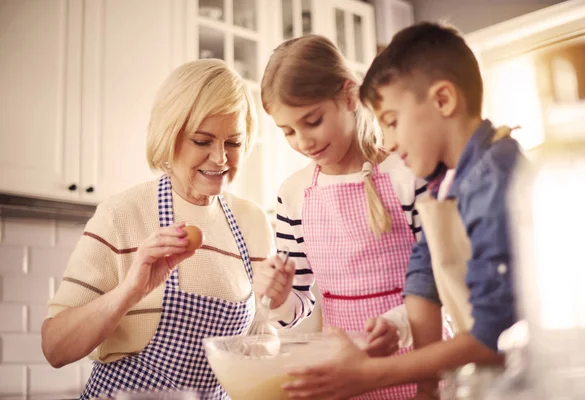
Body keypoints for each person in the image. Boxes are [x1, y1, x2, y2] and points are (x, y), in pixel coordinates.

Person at [281, 22, 521, 400]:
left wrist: (371, 374)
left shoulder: (492, 178)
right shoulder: (449, 183)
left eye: (392, 121)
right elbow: (423, 281)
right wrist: (426, 390)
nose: (389, 141)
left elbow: (495, 336)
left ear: (443, 100)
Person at [41, 59, 275, 400]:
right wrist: (131, 290)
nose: (220, 158)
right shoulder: (122, 214)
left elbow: (260, 337)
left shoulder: (252, 222)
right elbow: (54, 348)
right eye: (202, 140)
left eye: (234, 143)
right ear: (170, 136)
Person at [254, 34, 429, 399]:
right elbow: (297, 310)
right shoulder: (293, 194)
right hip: (343, 380)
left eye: (313, 121)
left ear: (350, 96)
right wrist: (281, 296)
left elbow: (445, 284)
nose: (303, 142)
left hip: (418, 370)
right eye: (287, 131)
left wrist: (399, 325)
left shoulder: (408, 174)